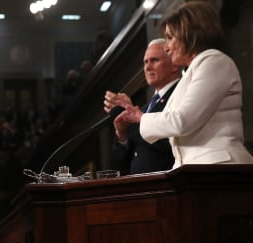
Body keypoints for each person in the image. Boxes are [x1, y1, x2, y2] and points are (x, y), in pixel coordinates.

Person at [114, 1, 253, 168]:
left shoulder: (214, 61)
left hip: (220, 168)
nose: (167, 47)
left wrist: (140, 117)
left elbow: (182, 121)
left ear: (190, 34)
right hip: (194, 170)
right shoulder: (189, 74)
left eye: (170, 37)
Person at [104, 38, 180, 174]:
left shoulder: (180, 95)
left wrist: (134, 121)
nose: (147, 67)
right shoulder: (147, 107)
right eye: (145, 62)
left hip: (167, 185)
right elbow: (120, 160)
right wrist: (122, 135)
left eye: (155, 60)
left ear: (174, 65)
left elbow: (168, 142)